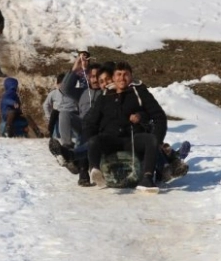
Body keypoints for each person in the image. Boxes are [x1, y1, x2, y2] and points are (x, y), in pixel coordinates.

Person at [83, 61, 168, 189]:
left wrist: (158, 140)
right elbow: (91, 122)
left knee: (151, 140)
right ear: (113, 77)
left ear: (131, 76)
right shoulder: (105, 95)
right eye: (119, 74)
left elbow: (159, 116)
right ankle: (95, 171)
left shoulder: (139, 92)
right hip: (110, 139)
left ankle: (147, 178)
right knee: (94, 141)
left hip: (133, 139)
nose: (122, 78)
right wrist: (90, 141)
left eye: (125, 74)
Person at [43, 73, 65, 138]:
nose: (63, 86)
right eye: (61, 84)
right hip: (56, 114)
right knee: (54, 112)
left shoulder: (71, 93)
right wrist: (48, 116)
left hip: (67, 113)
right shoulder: (54, 93)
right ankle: (50, 132)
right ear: (58, 84)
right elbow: (45, 105)